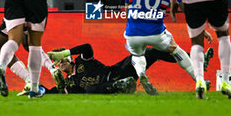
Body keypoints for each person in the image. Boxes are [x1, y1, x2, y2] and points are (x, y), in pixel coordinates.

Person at [119, 0, 198, 95]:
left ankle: (141, 73)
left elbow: (126, 9)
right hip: (155, 33)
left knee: (137, 55)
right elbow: (182, 6)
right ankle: (198, 79)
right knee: (176, 50)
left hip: (132, 33)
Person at [46, 43, 214, 94]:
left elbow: (88, 47)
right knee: (88, 89)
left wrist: (66, 52)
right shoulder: (69, 83)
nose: (61, 64)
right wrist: (36, 89)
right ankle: (121, 86)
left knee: (152, 52)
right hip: (108, 86)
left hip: (119, 71)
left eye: (63, 60)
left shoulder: (82, 61)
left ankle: (196, 62)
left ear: (69, 59)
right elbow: (53, 93)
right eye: (59, 63)